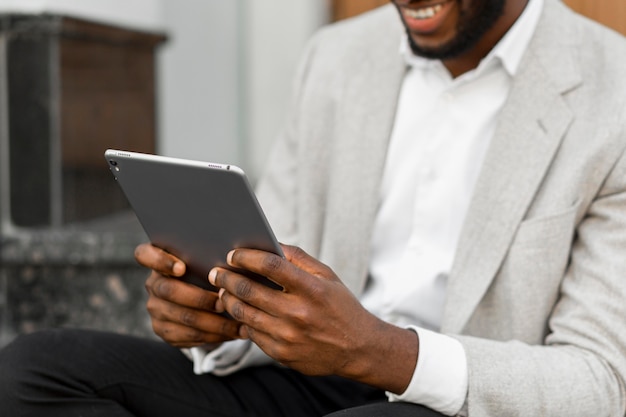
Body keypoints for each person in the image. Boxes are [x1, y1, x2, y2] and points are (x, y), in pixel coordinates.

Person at [1, 0, 626, 415]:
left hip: (465, 397)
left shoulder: (611, 91)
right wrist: (220, 315)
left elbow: (602, 382)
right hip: (311, 375)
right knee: (34, 373)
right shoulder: (337, 58)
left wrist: (380, 350)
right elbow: (272, 250)